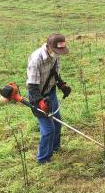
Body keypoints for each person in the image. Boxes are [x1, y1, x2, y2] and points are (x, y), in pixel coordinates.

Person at [26, 33, 71, 164]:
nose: (60, 54)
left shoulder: (56, 56)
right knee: (48, 130)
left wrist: (62, 86)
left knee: (58, 122)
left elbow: (55, 74)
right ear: (49, 46)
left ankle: (55, 148)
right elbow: (32, 87)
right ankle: (43, 159)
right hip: (37, 96)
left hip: (51, 93)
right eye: (58, 51)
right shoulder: (36, 59)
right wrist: (40, 102)